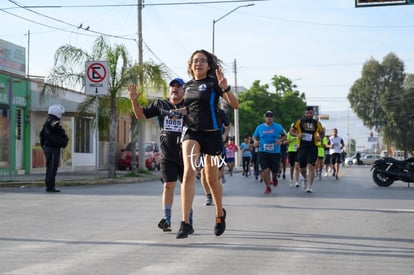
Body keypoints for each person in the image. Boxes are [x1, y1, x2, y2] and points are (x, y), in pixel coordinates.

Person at [177, 49, 239, 239]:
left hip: (212, 135)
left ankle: (220, 213)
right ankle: (185, 222)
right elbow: (185, 108)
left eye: (203, 61)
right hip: (192, 133)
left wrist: (226, 88)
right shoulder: (186, 86)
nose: (198, 64)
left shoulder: (214, 84)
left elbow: (235, 105)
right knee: (189, 172)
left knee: (212, 179)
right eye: (195, 61)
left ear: (209, 65)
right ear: (191, 65)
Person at [128, 78, 192, 232]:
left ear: (183, 90)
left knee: (186, 188)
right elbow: (141, 116)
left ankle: (188, 219)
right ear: (169, 90)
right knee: (168, 186)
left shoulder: (190, 105)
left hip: (186, 154)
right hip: (167, 153)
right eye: (172, 86)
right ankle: (167, 220)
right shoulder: (160, 104)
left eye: (178, 87)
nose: (175, 89)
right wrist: (134, 101)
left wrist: (186, 112)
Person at [290, 106, 324, 193]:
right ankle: (305, 178)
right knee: (302, 168)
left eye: (310, 113)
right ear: (305, 113)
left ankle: (310, 186)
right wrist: (298, 135)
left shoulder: (317, 123)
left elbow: (322, 132)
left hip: (313, 147)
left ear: (313, 113)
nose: (309, 114)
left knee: (311, 166)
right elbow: (291, 131)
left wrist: (320, 137)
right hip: (302, 147)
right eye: (307, 113)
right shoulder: (299, 122)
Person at [200, 108, 230, 206]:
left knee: (213, 174)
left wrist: (224, 135)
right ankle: (208, 196)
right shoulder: (198, 110)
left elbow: (228, 126)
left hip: (216, 146)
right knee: (203, 173)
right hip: (201, 146)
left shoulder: (219, 112)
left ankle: (215, 191)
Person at [252, 111, 286, 194]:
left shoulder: (278, 127)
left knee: (275, 170)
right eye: (267, 116)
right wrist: (255, 141)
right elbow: (254, 136)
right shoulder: (260, 127)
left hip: (275, 152)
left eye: (271, 116)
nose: (269, 118)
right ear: (265, 118)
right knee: (265, 170)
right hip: (263, 151)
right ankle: (267, 186)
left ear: (273, 118)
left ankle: (274, 176)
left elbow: (284, 135)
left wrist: (280, 140)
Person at [40, 104, 69, 193]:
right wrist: (62, 139)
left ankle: (50, 185)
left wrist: (44, 147)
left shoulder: (48, 122)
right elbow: (54, 131)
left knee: (51, 167)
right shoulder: (52, 122)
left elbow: (41, 136)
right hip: (52, 149)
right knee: (52, 168)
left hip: (50, 148)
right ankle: (50, 186)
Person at [284, 123, 300, 188]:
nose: (294, 129)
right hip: (291, 151)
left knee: (297, 166)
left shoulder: (299, 134)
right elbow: (285, 142)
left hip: (298, 151)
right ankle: (291, 179)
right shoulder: (289, 134)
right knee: (292, 167)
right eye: (293, 128)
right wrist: (291, 140)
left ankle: (297, 181)